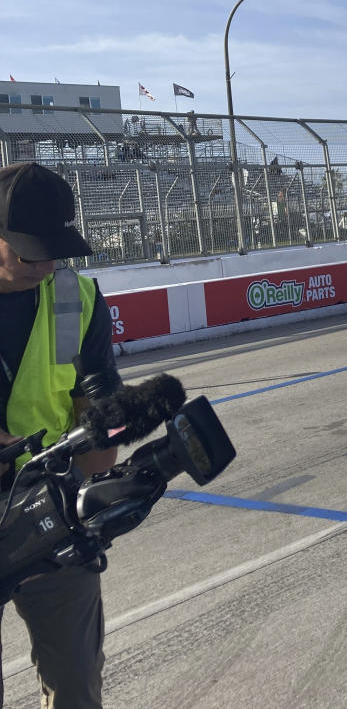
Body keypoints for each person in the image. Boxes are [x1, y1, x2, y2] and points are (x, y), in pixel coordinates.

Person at [0, 162, 121, 708]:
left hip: (51, 513)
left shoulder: (77, 296)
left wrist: (95, 496)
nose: (46, 264)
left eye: (57, 249)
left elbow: (98, 406)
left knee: (75, 685)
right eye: (30, 252)